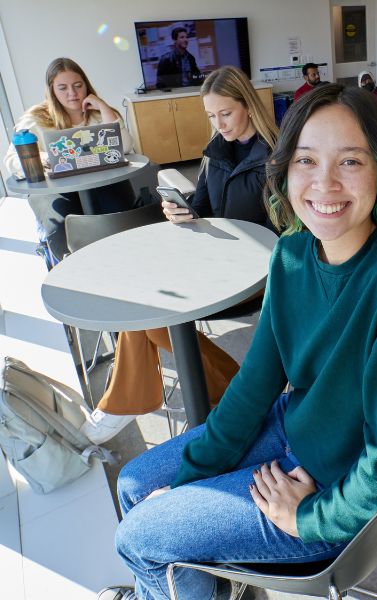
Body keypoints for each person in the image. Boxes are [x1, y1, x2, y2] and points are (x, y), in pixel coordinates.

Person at [103, 83, 377, 600]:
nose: (324, 184)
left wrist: (312, 517)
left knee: (137, 538)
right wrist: (189, 478)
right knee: (134, 487)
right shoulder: (292, 252)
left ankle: (167, 582)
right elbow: (254, 385)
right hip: (289, 430)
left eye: (350, 162)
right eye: (306, 161)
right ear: (285, 168)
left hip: (329, 491)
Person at [81, 66, 279, 445]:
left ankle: (126, 403)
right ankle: (231, 387)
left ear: (248, 106)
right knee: (144, 305)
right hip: (212, 264)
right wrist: (182, 211)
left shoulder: (274, 158)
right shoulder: (216, 152)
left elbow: (283, 231)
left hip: (258, 275)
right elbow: (202, 208)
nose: (218, 124)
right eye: (211, 116)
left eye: (226, 113)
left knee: (152, 315)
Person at [4, 57, 136, 262]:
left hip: (101, 181)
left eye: (77, 85)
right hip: (55, 188)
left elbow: (125, 147)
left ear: (86, 85)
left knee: (118, 215)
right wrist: (42, 157)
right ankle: (71, 271)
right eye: (63, 88)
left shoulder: (99, 114)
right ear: (52, 91)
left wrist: (102, 106)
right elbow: (12, 161)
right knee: (61, 227)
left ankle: (123, 261)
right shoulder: (36, 118)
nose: (72, 93)